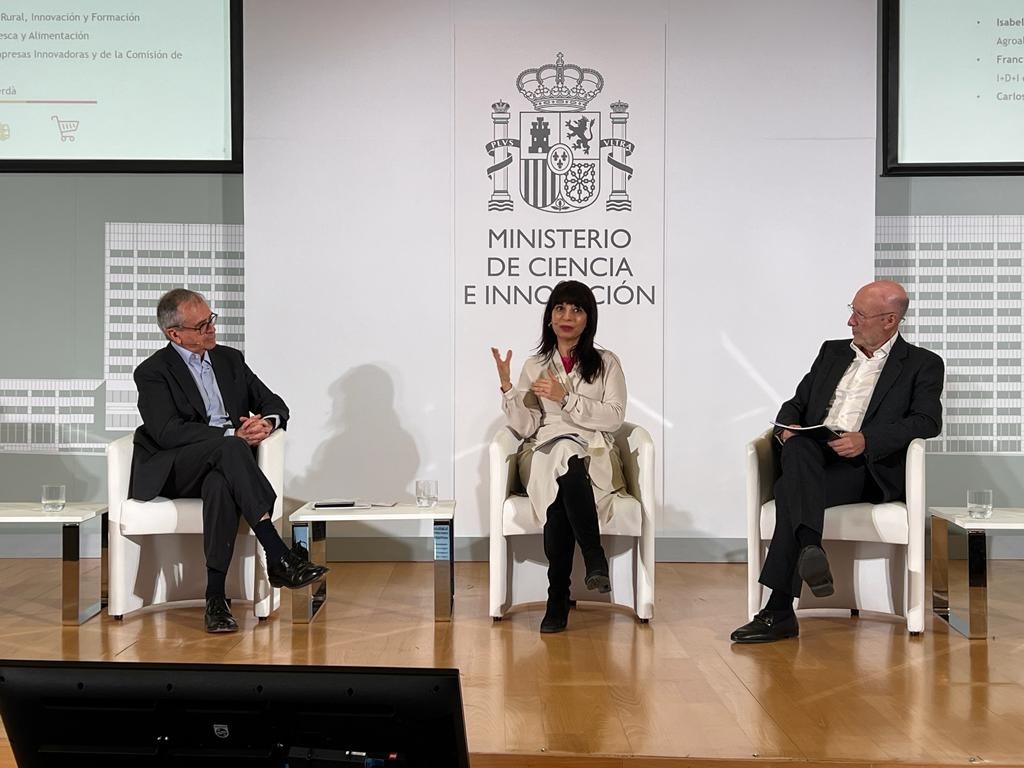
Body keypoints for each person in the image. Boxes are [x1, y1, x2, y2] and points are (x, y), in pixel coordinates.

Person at [731, 280, 943, 643]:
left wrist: (866, 440)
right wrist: (787, 429)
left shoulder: (922, 364)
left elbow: (927, 421)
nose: (850, 322)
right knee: (797, 449)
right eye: (851, 311)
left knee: (789, 491)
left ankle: (779, 611)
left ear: (890, 320)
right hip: (813, 454)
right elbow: (796, 404)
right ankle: (810, 548)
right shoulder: (832, 352)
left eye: (859, 314)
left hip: (864, 468)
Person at [131, 288, 329, 633]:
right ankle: (278, 554)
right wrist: (230, 435)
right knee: (232, 447)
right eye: (201, 325)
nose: (211, 329)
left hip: (226, 467)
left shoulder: (229, 359)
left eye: (211, 319)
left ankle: (216, 599)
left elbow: (274, 403)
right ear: (174, 334)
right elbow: (166, 432)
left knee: (220, 485)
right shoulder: (152, 372)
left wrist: (266, 423)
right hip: (178, 467)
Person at [491, 280, 628, 634]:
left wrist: (565, 398)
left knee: (562, 488)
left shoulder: (607, 363)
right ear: (549, 317)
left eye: (577, 310)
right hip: (543, 451)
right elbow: (526, 425)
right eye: (560, 308)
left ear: (588, 319)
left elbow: (615, 417)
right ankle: (593, 557)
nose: (567, 316)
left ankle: (557, 597)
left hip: (593, 452)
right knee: (563, 453)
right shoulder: (535, 364)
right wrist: (508, 388)